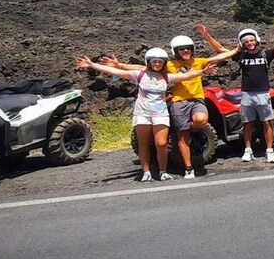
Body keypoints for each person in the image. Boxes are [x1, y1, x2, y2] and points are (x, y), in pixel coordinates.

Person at [100, 35, 239, 179]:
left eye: (188, 48)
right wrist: (120, 66)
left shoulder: (199, 62)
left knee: (201, 120)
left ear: (192, 50)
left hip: (196, 99)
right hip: (178, 101)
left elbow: (221, 56)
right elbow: (144, 68)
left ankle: (189, 133)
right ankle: (185, 162)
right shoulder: (169, 65)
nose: (185, 51)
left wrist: (237, 48)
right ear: (175, 51)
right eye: (181, 49)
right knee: (179, 135)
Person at [75, 48, 214, 182]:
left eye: (160, 61)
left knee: (162, 143)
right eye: (154, 61)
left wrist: (203, 71)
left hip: (160, 113)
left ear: (164, 63)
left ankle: (162, 172)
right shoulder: (139, 75)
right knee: (143, 144)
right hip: (142, 113)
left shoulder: (167, 77)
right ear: (149, 62)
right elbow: (114, 71)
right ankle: (146, 172)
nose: (157, 64)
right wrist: (92, 64)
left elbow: (186, 75)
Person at [197, 20, 274, 163]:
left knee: (267, 123)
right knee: (247, 123)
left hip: (263, 93)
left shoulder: (265, 55)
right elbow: (220, 49)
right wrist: (206, 35)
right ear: (242, 44)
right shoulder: (241, 56)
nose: (250, 43)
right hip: (247, 94)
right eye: (246, 41)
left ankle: (269, 151)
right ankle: (248, 150)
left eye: (252, 40)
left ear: (256, 40)